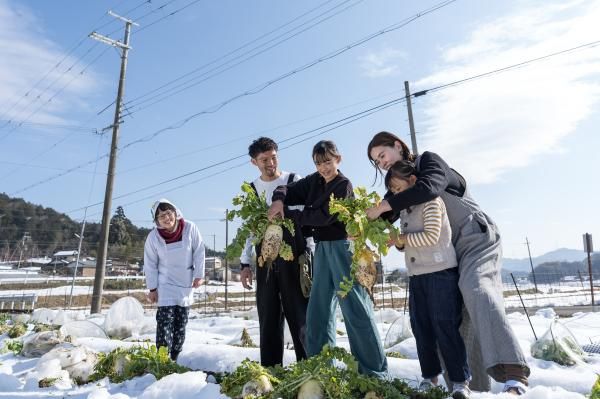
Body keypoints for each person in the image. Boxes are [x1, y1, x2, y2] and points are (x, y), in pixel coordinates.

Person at [365, 131, 529, 395]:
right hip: (446, 252)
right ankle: (471, 387)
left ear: (398, 145)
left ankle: (514, 371)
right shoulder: (399, 189)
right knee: (455, 320)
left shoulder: (429, 163)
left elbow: (428, 188)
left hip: (474, 237)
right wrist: (362, 226)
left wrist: (385, 205)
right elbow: (388, 215)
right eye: (377, 162)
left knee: (476, 288)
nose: (381, 163)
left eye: (382, 155)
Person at [268, 140, 388, 377]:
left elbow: (322, 217)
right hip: (322, 249)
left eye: (327, 162)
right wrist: (279, 200)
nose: (323, 167)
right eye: (318, 163)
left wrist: (289, 214)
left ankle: (374, 372)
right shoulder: (314, 181)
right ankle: (321, 369)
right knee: (318, 311)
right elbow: (287, 189)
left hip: (343, 248)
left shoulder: (343, 185)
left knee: (355, 309)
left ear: (338, 160)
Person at [386, 161, 471, 399]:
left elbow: (432, 236)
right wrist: (398, 242)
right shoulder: (405, 210)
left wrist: (402, 238)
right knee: (420, 327)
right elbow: (406, 245)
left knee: (444, 325)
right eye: (392, 191)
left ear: (413, 181)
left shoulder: (433, 203)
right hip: (417, 277)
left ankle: (460, 381)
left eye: (397, 188)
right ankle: (429, 377)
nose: (395, 194)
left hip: (440, 273)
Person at [239, 137, 310, 367]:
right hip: (265, 258)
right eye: (264, 160)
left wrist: (309, 253)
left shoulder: (292, 180)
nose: (270, 163)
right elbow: (248, 229)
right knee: (268, 316)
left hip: (294, 255)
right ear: (254, 162)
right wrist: (245, 264)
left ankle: (307, 369)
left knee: (299, 315)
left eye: (273, 157)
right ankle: (271, 370)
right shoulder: (252, 189)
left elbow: (306, 219)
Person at [144, 199, 205, 362]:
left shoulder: (190, 228)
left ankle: (175, 358)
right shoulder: (153, 237)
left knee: (180, 325)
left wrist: (199, 275)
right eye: (161, 215)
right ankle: (163, 361)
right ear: (156, 220)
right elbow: (150, 264)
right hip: (165, 285)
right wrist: (152, 288)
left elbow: (199, 251)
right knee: (164, 324)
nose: (166, 218)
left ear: (175, 213)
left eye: (168, 213)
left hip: (185, 285)